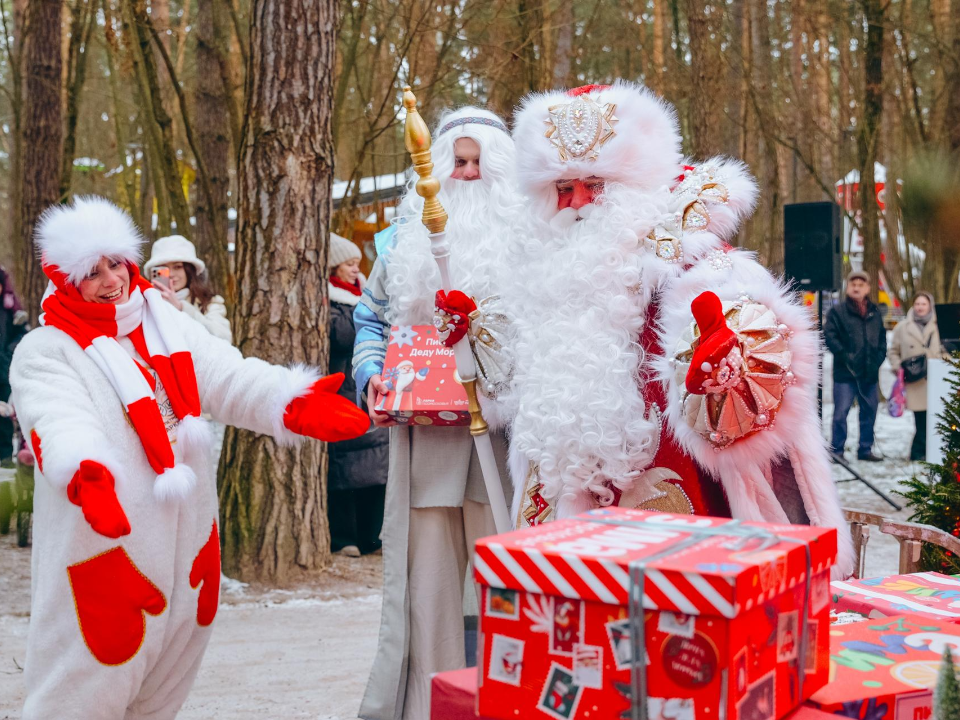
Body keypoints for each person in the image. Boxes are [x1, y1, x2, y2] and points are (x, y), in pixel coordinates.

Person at [10, 196, 369, 720]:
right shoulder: (48, 348)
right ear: (66, 281)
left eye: (115, 263)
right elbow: (57, 417)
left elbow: (226, 374)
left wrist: (287, 400)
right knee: (82, 685)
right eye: (92, 272)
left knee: (164, 687)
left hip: (188, 546)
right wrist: (84, 472)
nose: (110, 280)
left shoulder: (165, 322)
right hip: (106, 547)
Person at [495, 81, 853, 575]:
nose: (577, 202)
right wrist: (478, 340)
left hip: (681, 537)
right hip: (564, 533)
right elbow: (505, 393)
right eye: (562, 188)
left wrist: (730, 367)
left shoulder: (696, 269)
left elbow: (763, 387)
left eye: (594, 184)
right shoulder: (542, 284)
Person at [354, 107, 521, 720]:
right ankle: (434, 704)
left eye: (478, 163)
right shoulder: (401, 243)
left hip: (503, 443)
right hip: (429, 444)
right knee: (430, 588)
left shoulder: (529, 240)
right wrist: (373, 374)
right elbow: (372, 318)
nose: (468, 174)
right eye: (457, 162)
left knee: (504, 575)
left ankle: (508, 700)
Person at [327, 233, 387, 556]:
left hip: (363, 390)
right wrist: (362, 310)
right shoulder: (330, 298)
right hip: (342, 391)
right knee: (344, 471)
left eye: (356, 263)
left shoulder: (360, 294)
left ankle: (371, 534)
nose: (355, 269)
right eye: (348, 264)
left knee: (375, 468)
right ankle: (344, 536)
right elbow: (343, 334)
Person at [825, 270, 886, 462]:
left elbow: (882, 340)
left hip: (869, 373)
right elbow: (830, 336)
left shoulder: (874, 312)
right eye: (854, 284)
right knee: (841, 412)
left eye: (861, 285)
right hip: (845, 373)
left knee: (869, 412)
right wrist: (845, 355)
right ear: (848, 287)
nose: (857, 288)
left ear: (867, 288)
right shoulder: (837, 312)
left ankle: (865, 449)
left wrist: (878, 359)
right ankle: (837, 450)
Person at [888, 291, 946, 461]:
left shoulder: (940, 325)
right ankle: (918, 452)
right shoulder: (902, 327)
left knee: (936, 417)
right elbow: (893, 351)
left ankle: (929, 451)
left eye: (924, 304)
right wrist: (898, 367)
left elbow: (949, 348)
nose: (920, 307)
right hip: (915, 380)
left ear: (930, 306)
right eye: (918, 304)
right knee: (920, 418)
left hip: (936, 379)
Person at [143, 234, 231, 342]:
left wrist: (182, 308)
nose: (171, 274)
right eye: (164, 268)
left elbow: (224, 337)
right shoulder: (143, 302)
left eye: (177, 267)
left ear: (189, 270)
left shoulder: (209, 302)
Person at [0, 266, 28, 464]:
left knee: (3, 414)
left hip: (3, 369)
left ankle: (5, 456)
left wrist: (9, 351)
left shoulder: (10, 309)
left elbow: (22, 334)